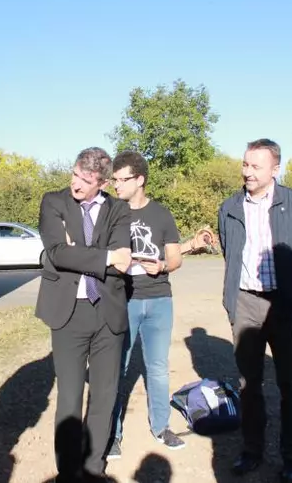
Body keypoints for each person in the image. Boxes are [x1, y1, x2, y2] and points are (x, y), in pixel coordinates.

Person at [217, 139, 292, 483]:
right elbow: (228, 249)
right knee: (250, 384)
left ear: (275, 169)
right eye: (245, 164)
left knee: (291, 383)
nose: (247, 172)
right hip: (246, 301)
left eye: (255, 166)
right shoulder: (229, 207)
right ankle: (252, 451)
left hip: (285, 304)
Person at [35, 147, 132, 481]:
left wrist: (79, 251)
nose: (76, 183)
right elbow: (58, 254)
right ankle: (68, 471)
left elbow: (124, 262)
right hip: (68, 313)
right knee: (70, 395)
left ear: (102, 183)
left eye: (86, 180)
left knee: (105, 393)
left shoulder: (119, 209)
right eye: (75, 174)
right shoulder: (53, 202)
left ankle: (93, 468)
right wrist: (105, 257)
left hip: (108, 312)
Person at [107, 150, 184, 459]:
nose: (115, 185)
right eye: (113, 179)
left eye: (121, 179)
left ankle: (162, 427)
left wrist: (162, 266)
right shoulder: (111, 213)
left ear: (139, 180)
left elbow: (175, 257)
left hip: (159, 300)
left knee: (158, 368)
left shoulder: (161, 214)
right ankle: (112, 435)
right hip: (123, 300)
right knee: (116, 368)